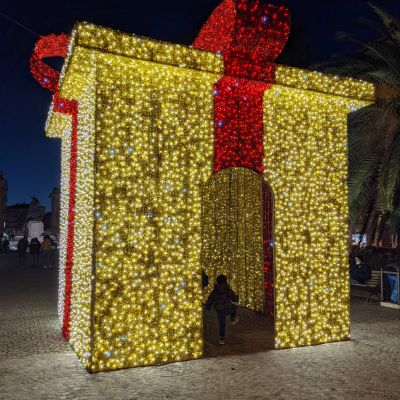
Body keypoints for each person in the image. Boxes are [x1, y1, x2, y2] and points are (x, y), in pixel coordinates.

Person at [206, 274, 239, 345]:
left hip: (219, 309)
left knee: (222, 324)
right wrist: (236, 297)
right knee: (234, 306)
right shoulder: (228, 290)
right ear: (225, 281)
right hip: (227, 308)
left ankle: (222, 339)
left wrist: (208, 306)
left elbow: (210, 299)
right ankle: (233, 318)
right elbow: (235, 299)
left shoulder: (215, 291)